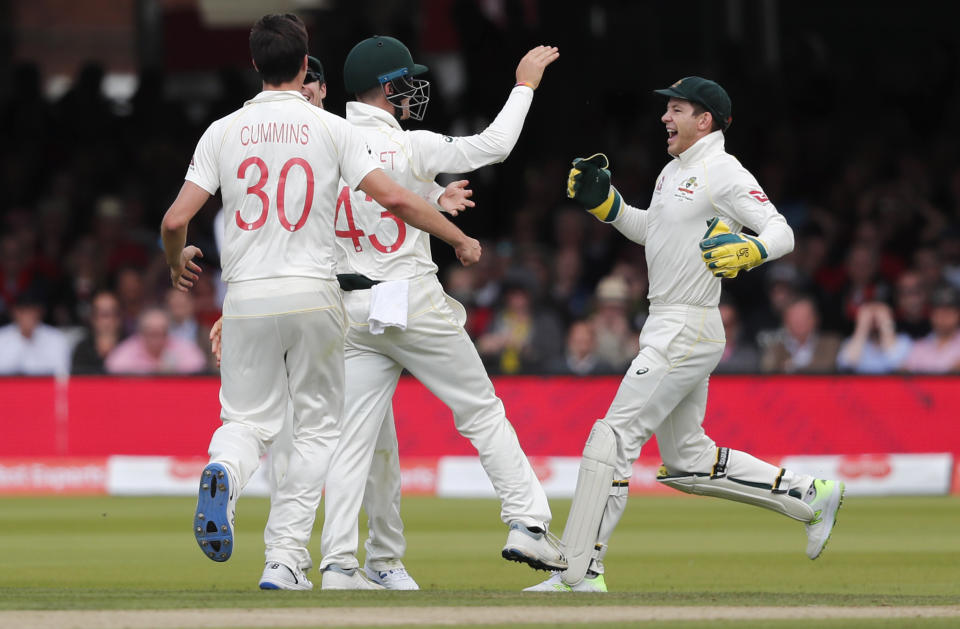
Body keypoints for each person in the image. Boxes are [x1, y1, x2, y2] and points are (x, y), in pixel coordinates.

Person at [160, 14, 480, 592]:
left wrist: (175, 261)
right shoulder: (333, 130)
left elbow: (175, 220)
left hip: (248, 296)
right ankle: (283, 561)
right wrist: (455, 237)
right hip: (315, 293)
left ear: (255, 64)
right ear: (306, 65)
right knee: (314, 432)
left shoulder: (222, 130)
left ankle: (225, 473)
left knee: (245, 422)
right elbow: (397, 200)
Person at [526, 77, 844, 593]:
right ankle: (809, 495)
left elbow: (781, 231)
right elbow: (652, 231)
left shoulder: (722, 170)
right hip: (672, 322)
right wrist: (605, 204)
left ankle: (579, 571)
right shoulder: (673, 170)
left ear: (706, 120)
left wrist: (751, 251)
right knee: (688, 460)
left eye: (675, 109)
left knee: (613, 436)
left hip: (688, 323)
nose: (664, 118)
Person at [315, 37, 563, 590]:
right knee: (480, 409)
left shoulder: (326, 142)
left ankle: (336, 563)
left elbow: (377, 200)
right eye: (405, 82)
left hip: (351, 307)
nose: (412, 92)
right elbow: (494, 146)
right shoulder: (413, 145)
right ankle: (527, 520)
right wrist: (524, 84)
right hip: (409, 298)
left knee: (353, 440)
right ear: (386, 87)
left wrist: (430, 198)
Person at [104, 307, 207, 375]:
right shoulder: (127, 350)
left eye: (162, 333)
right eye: (152, 334)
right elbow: (113, 366)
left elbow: (198, 364)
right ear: (141, 333)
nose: (157, 339)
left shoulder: (182, 347)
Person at [759, 295, 842, 373]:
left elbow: (829, 367)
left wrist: (792, 367)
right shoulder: (775, 348)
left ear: (816, 319)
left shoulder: (832, 344)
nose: (799, 322)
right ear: (785, 321)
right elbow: (767, 372)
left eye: (804, 317)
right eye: (795, 318)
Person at [0, 286, 70, 375]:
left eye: (32, 311)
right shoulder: (1, 337)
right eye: (23, 311)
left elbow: (62, 373)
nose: (27, 316)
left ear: (40, 312)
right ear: (14, 312)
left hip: (45, 388)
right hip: (7, 388)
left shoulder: (56, 338)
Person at [835, 302, 911, 374]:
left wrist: (885, 325)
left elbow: (898, 365)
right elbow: (846, 365)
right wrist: (862, 327)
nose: (874, 319)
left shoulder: (903, 340)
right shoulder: (852, 342)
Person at [900, 284, 960, 373]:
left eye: (948, 312)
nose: (943, 317)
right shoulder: (920, 346)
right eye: (938, 312)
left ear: (958, 314)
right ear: (931, 315)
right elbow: (902, 374)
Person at [71, 290, 125, 374]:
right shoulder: (82, 349)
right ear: (92, 318)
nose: (107, 321)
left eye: (112, 313)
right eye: (102, 314)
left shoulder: (132, 346)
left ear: (120, 317)